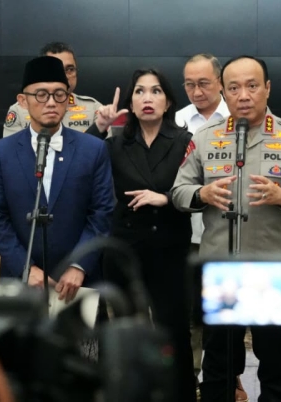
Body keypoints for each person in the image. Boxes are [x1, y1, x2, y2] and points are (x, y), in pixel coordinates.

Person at [171, 55, 281, 402]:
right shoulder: (205, 138)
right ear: (223, 93)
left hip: (274, 270)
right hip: (220, 270)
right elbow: (178, 192)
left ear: (267, 88)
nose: (243, 95)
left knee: (275, 361)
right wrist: (201, 194)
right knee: (218, 361)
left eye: (252, 86)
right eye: (234, 88)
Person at [0, 56, 114, 314]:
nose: (51, 102)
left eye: (59, 94)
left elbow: (102, 212)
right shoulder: (1, 153)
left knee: (80, 342)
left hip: (78, 283)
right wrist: (26, 268)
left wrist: (79, 266)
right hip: (21, 282)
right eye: (41, 94)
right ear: (23, 101)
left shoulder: (93, 150)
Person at [102, 67, 196, 402]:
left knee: (175, 330)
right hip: (125, 248)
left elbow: (199, 190)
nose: (147, 98)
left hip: (170, 247)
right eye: (139, 91)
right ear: (130, 102)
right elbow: (79, 161)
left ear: (168, 102)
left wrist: (166, 198)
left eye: (156, 91)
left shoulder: (185, 141)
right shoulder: (116, 143)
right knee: (127, 331)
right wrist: (100, 126)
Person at [174, 53, 245, 401]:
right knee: (191, 313)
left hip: (227, 236)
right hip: (186, 233)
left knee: (227, 315)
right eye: (189, 84)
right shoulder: (177, 120)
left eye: (203, 83)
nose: (197, 91)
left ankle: (231, 378)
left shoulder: (240, 117)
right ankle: (192, 377)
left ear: (220, 82)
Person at [2, 42, 103, 138]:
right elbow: (11, 148)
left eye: (70, 69)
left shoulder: (94, 108)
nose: (64, 76)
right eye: (56, 69)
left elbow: (102, 148)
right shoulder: (19, 110)